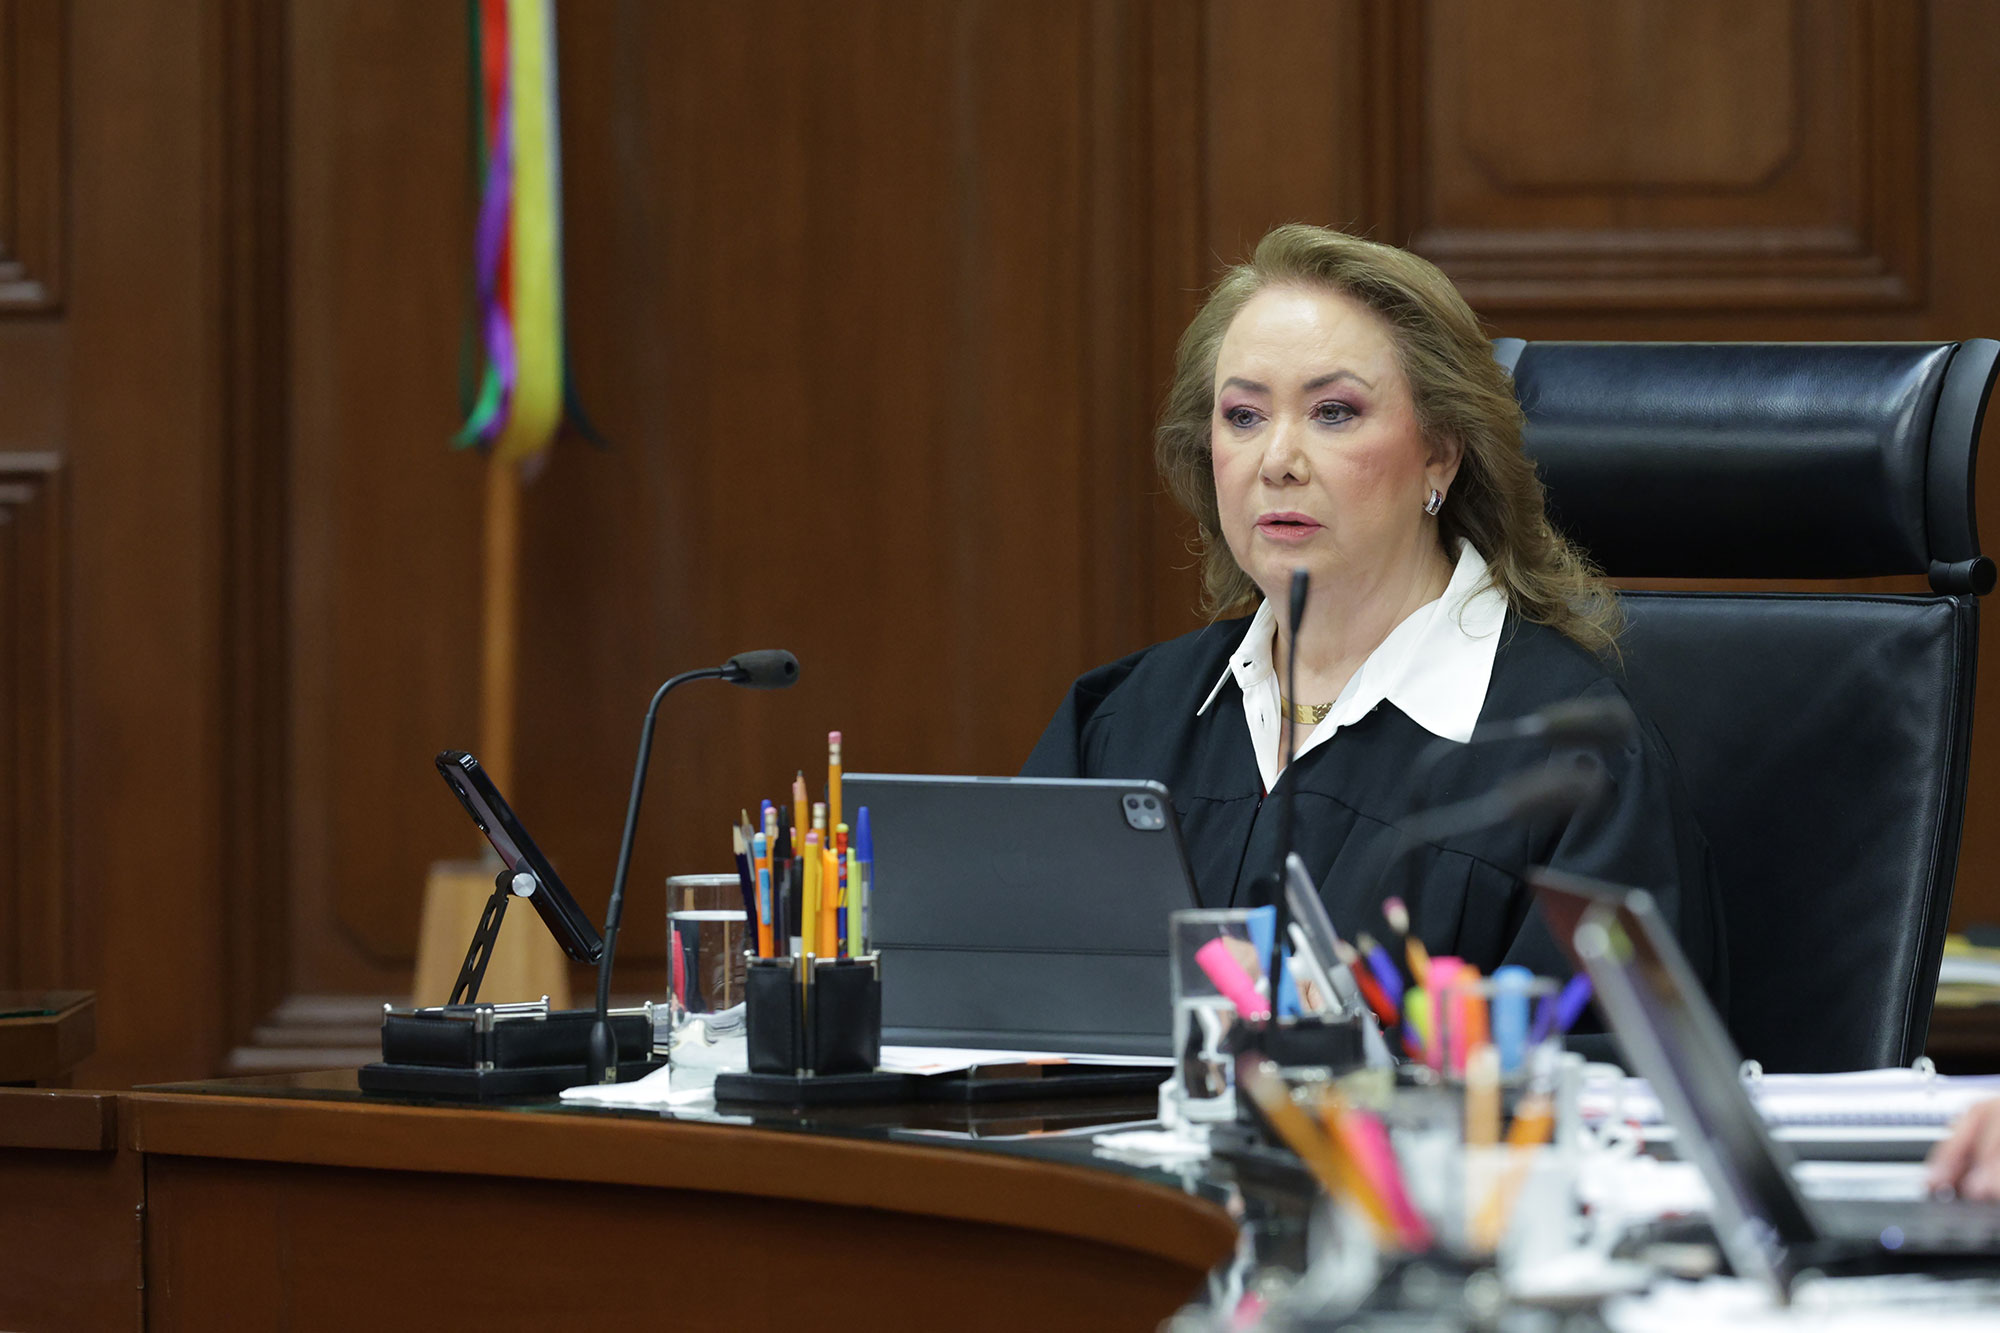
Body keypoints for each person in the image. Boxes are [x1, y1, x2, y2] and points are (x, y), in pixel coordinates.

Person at [1022, 224, 1726, 1000]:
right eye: (1244, 416)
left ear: (1441, 453)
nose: (1277, 460)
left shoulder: (1577, 768)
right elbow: (997, 1000)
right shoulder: (1119, 724)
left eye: (1333, 411)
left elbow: (1614, 1062)